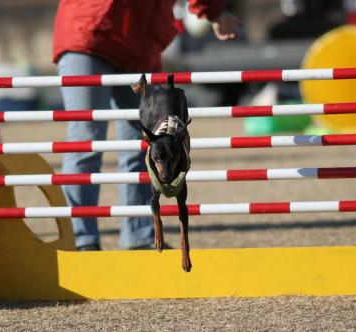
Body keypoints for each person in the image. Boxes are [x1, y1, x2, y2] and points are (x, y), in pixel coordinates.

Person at [53, 0, 242, 251]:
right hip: (89, 32)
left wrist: (214, 11)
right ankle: (82, 240)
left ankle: (139, 235)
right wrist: (215, 12)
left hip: (141, 43)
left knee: (145, 143)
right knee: (85, 141)